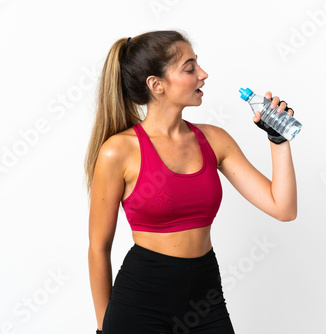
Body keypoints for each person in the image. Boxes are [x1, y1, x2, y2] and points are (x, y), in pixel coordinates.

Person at [85, 30, 297, 334]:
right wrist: (103, 327)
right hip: (140, 302)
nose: (203, 74)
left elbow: (283, 208)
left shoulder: (214, 140)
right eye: (190, 68)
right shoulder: (118, 151)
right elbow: (98, 247)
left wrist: (278, 141)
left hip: (205, 297)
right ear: (156, 85)